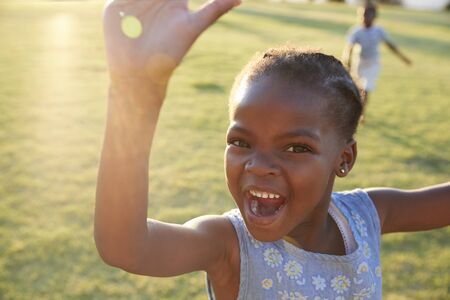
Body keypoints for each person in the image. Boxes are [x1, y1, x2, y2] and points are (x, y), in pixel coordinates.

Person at [95, 0, 449, 299]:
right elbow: (125, 246)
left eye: (296, 147)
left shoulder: (367, 215)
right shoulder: (229, 245)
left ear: (344, 159)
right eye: (241, 142)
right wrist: (137, 94)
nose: (259, 165)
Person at [342, 1, 412, 120]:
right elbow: (349, 48)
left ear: (375, 16)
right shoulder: (356, 31)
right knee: (357, 89)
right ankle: (354, 109)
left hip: (373, 65)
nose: (365, 17)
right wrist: (346, 61)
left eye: (368, 14)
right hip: (359, 64)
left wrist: (403, 58)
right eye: (363, 14)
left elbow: (390, 45)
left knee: (366, 89)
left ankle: (361, 113)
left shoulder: (379, 31)